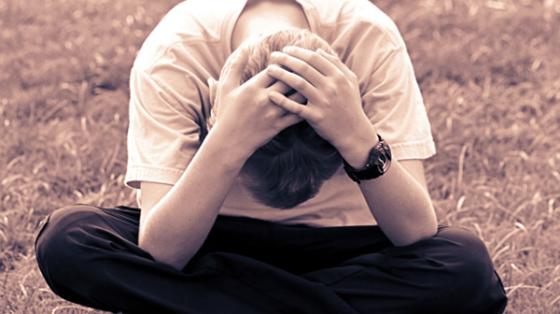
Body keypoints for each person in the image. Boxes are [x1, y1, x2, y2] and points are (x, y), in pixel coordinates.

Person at [34, 0, 508, 313]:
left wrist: (358, 135)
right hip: (212, 236)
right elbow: (163, 250)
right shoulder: (175, 52)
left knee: (464, 264)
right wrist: (226, 141)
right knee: (69, 238)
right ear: (214, 93)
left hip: (347, 240)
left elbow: (414, 231)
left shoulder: (367, 37)